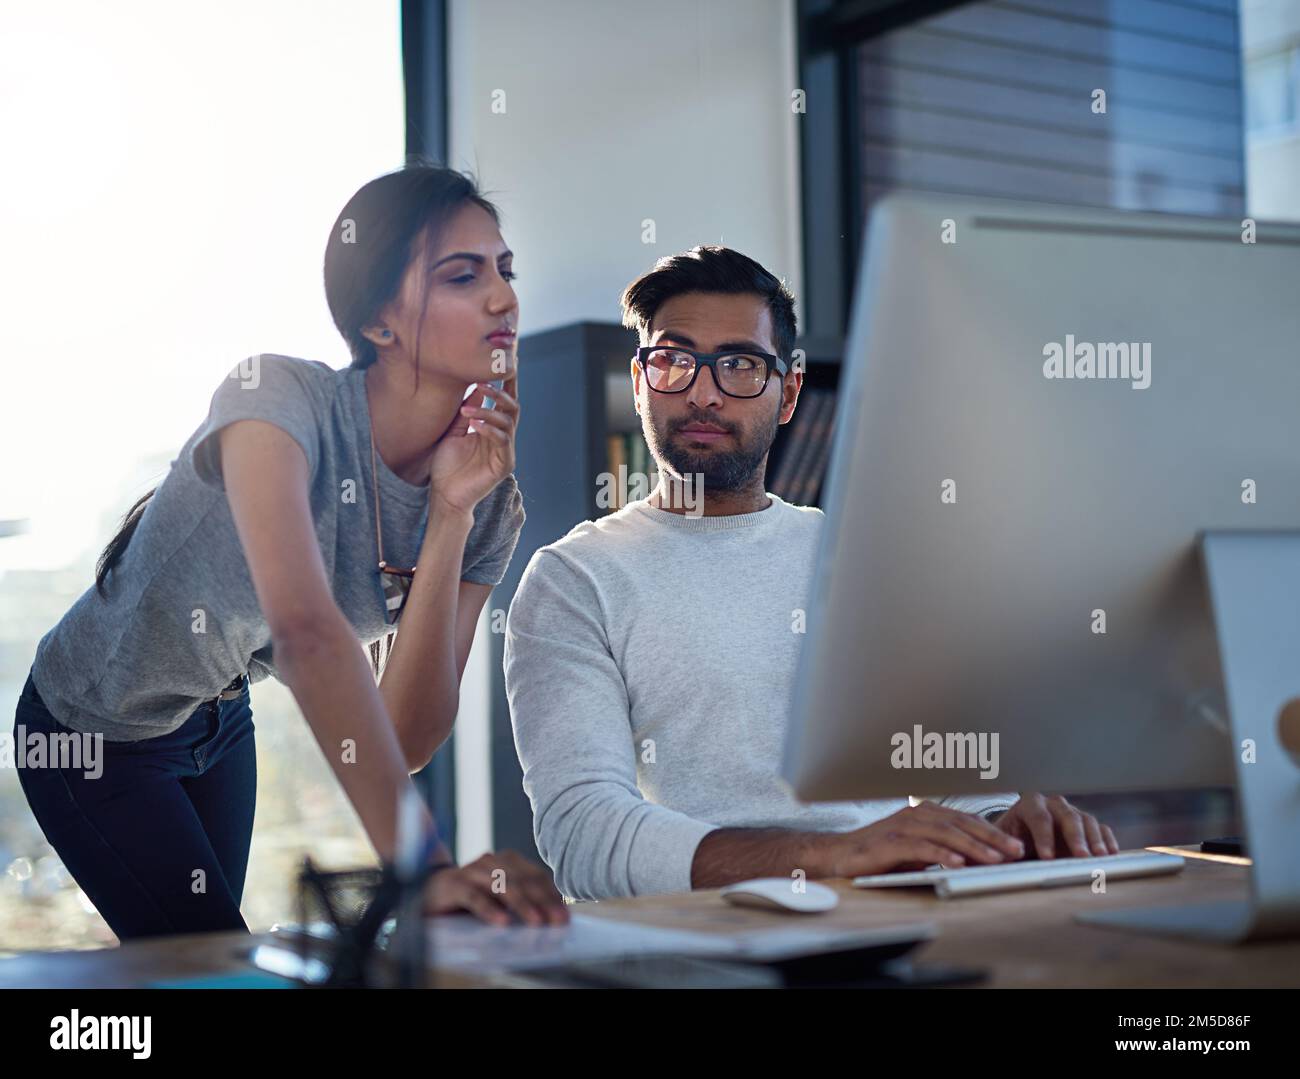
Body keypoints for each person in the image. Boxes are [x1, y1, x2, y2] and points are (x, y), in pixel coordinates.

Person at [14, 163, 567, 939]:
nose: (503, 297)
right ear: (379, 322)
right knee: (212, 958)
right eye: (462, 275)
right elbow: (308, 633)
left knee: (211, 959)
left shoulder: (488, 503)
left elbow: (404, 738)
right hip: (92, 729)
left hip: (219, 719)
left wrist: (450, 513)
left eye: (505, 270)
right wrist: (423, 870)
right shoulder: (274, 399)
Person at [505, 244, 1118, 901]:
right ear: (639, 381)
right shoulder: (573, 580)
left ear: (789, 392)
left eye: (739, 365)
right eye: (674, 361)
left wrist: (1006, 827)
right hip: (695, 937)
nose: (703, 393)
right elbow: (585, 836)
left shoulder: (866, 559)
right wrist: (832, 856)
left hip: (893, 917)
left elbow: (957, 782)